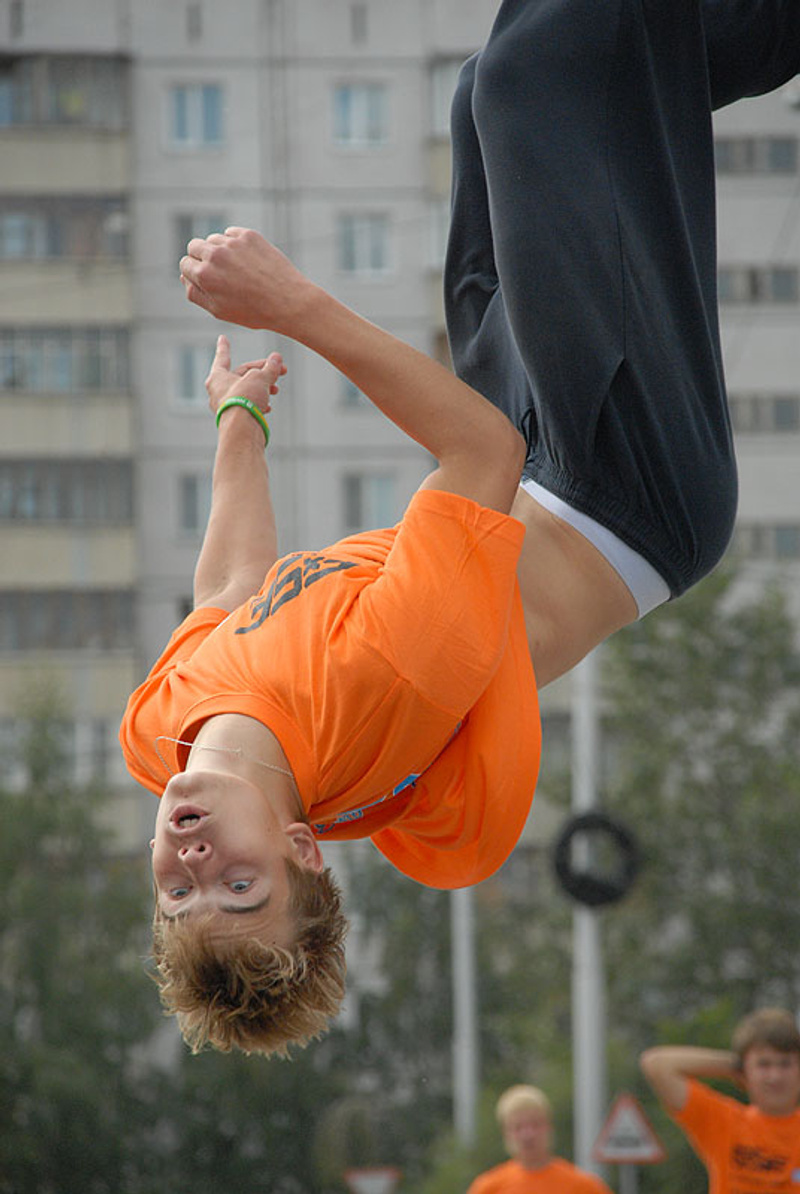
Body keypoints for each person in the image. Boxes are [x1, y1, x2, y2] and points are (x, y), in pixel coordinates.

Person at [119, 0, 800, 1058]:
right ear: (302, 849)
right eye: (241, 888)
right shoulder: (376, 694)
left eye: (177, 895)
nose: (196, 865)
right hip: (625, 488)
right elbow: (478, 452)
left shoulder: (160, 730)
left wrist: (237, 423)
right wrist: (292, 304)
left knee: (488, 94)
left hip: (534, 462)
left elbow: (228, 595)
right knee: (538, 71)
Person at [640, 1007, 800, 1194]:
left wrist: (752, 1066)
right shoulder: (724, 1122)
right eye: (764, 1064)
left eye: (785, 1064)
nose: (775, 1076)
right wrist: (736, 1066)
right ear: (743, 1071)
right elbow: (657, 1065)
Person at [467, 1085, 613, 1194]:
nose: (528, 1135)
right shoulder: (488, 1188)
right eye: (518, 1127)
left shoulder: (582, 1187)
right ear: (506, 1133)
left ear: (549, 1127)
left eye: (535, 1125)